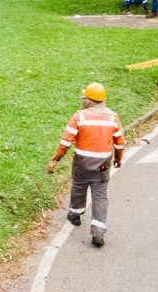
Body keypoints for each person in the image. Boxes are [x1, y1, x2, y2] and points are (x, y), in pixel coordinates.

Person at [47, 82, 124, 248]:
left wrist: (55, 159)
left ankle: (75, 215)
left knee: (78, 188)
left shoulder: (79, 117)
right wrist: (118, 158)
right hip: (103, 164)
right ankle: (98, 230)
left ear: (88, 100)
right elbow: (119, 142)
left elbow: (66, 141)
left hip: (82, 162)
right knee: (100, 195)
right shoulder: (112, 117)